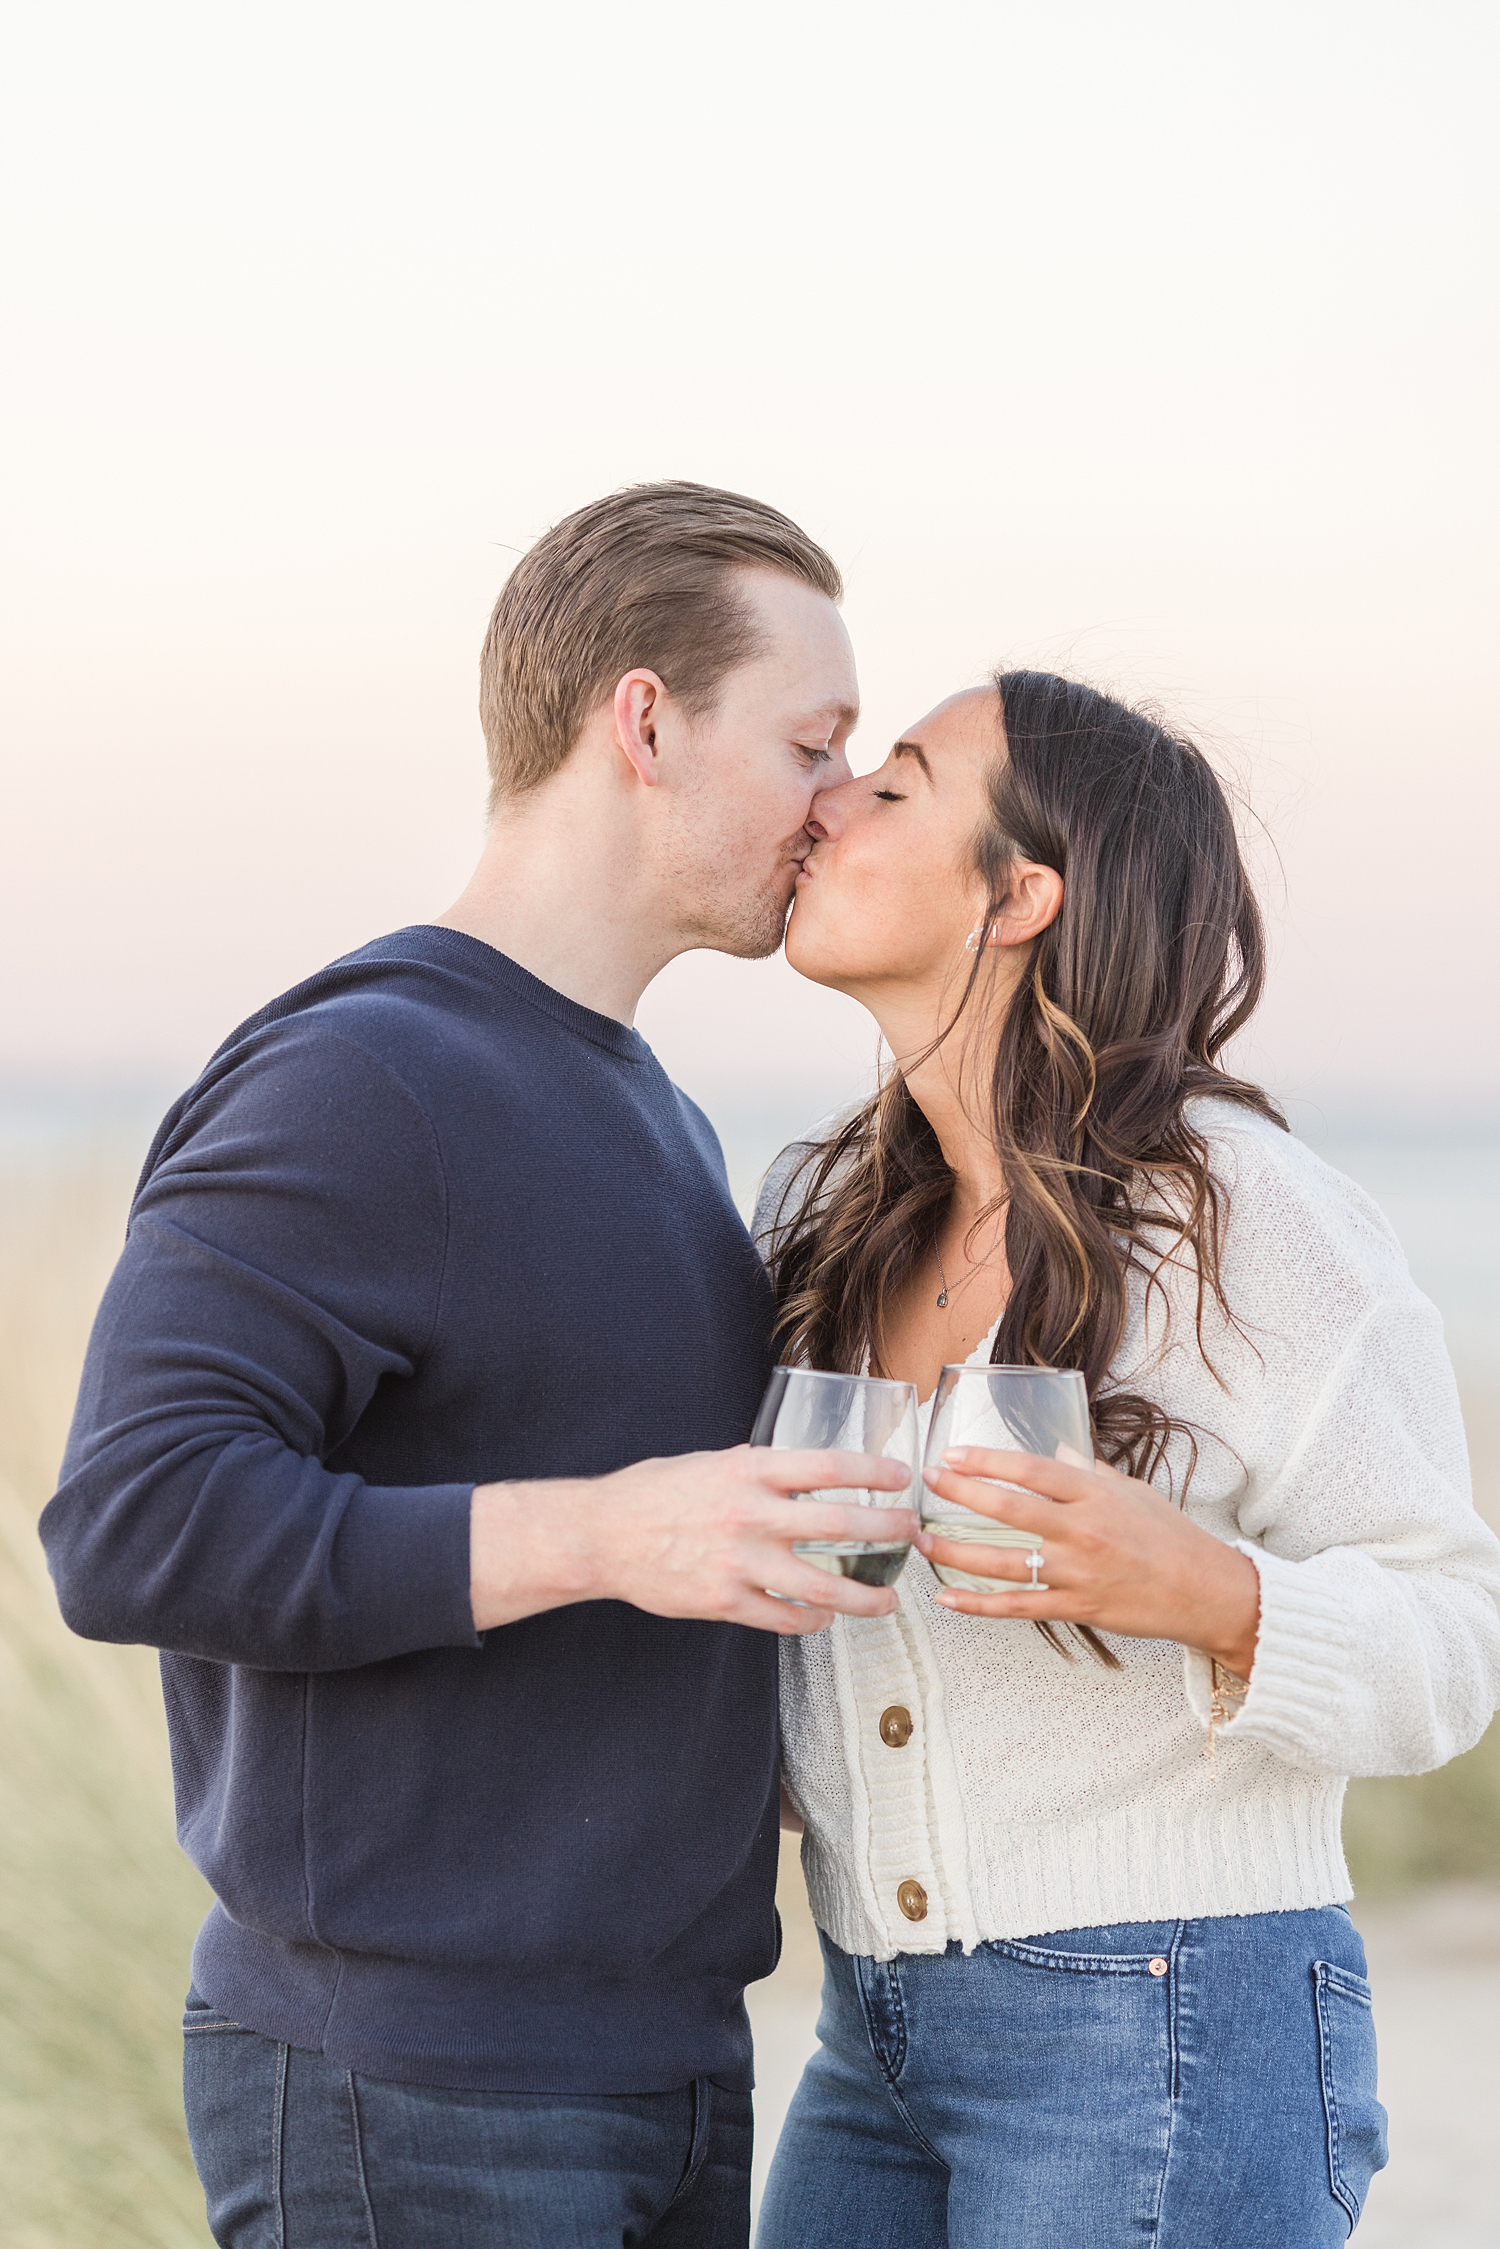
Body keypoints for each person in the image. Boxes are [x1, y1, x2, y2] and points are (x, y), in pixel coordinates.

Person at [39, 481, 916, 2249]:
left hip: (669, 2072)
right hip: (412, 2086)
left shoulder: (654, 1112)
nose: (841, 803)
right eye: (812, 743)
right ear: (645, 721)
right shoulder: (360, 1076)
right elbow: (131, 1523)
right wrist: (599, 1534)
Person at [752, 670, 1500, 2249]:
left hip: (1167, 2013)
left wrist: (1218, 1596)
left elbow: (1455, 1638)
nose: (828, 801)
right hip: (869, 2025)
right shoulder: (835, 1222)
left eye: (894, 786)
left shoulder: (1240, 1216)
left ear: (1021, 892)